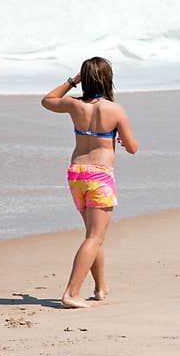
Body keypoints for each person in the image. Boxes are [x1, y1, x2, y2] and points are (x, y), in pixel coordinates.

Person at [41, 57, 138, 308]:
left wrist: (72, 81)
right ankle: (71, 293)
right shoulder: (115, 110)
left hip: (77, 173)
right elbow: (133, 148)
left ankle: (100, 288)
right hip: (99, 175)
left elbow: (47, 100)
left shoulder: (75, 106)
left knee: (93, 235)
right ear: (108, 79)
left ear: (85, 78)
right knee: (95, 237)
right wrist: (121, 141)